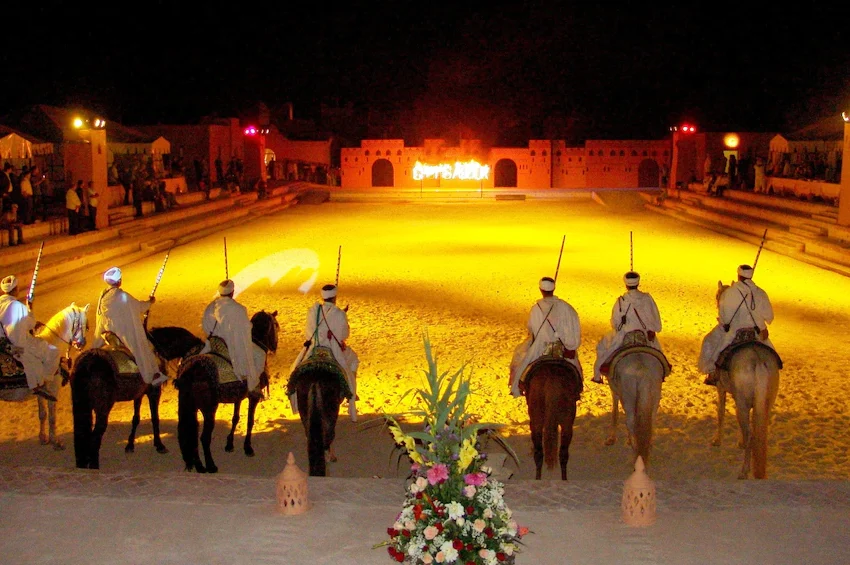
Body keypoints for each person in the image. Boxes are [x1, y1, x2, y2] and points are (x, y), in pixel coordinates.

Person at [699, 265, 775, 386]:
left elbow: (724, 320)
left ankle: (712, 372)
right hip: (757, 333)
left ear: (738, 275)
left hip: (734, 333)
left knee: (709, 342)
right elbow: (769, 317)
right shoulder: (761, 293)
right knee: (772, 357)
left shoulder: (729, 293)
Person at [91, 267, 168, 387]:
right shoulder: (123, 296)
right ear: (119, 281)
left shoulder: (103, 295)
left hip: (105, 329)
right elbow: (140, 307)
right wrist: (150, 302)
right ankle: (150, 376)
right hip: (121, 330)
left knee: (94, 350)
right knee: (140, 346)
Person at [509, 276, 582, 398]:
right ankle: (578, 390)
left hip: (539, 348)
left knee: (521, 363)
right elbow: (574, 329)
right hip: (562, 349)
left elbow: (532, 329)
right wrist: (570, 345)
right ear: (553, 289)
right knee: (576, 370)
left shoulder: (536, 309)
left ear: (541, 290)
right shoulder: (567, 307)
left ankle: (515, 388)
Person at [592, 271, 664, 384]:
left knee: (603, 349)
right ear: (638, 283)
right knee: (660, 358)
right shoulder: (647, 299)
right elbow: (656, 322)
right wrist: (651, 330)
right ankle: (662, 374)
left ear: (626, 285)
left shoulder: (621, 301)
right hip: (644, 335)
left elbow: (615, 323)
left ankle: (597, 375)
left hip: (624, 335)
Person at [302, 283, 359, 421]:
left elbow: (308, 333)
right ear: (335, 297)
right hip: (333, 349)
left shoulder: (313, 311)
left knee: (297, 366)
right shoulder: (339, 313)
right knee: (354, 360)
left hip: (314, 348)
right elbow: (344, 335)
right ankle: (351, 392)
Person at [201, 279, 266, 398]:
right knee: (260, 354)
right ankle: (253, 384)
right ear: (232, 292)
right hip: (232, 343)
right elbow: (245, 328)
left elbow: (205, 326)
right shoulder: (239, 309)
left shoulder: (210, 307)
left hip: (215, 344)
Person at [0, 275, 59, 400]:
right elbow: (30, 324)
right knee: (53, 352)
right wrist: (29, 306)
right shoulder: (17, 306)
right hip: (16, 344)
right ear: (16, 289)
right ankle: (43, 383)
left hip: (2, 343)